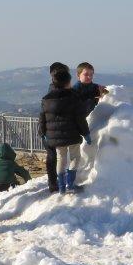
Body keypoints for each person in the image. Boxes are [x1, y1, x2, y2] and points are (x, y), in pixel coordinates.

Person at [39, 67, 91, 194]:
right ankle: (70, 184)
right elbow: (80, 118)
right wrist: (86, 133)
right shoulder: (73, 97)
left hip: (55, 137)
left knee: (61, 159)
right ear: (67, 83)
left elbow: (42, 118)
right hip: (72, 135)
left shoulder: (46, 99)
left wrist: (43, 133)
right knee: (75, 158)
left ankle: (61, 187)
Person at [43, 62, 70, 192]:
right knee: (55, 157)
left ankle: (53, 183)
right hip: (53, 130)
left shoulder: (51, 90)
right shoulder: (58, 92)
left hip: (48, 129)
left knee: (53, 156)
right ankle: (56, 184)